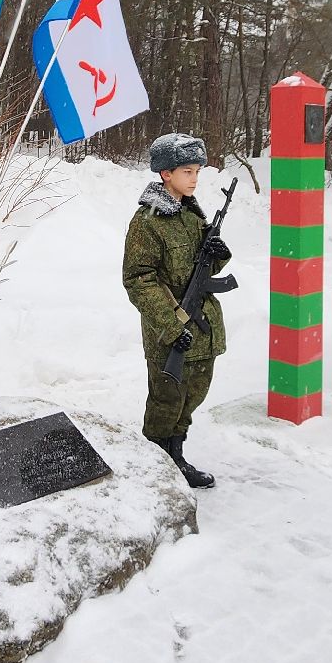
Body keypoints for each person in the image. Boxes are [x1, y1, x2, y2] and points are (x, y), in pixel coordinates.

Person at [124, 133, 231, 487]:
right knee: (166, 399)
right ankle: (156, 463)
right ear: (166, 173)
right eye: (188, 171)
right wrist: (171, 326)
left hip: (201, 329)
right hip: (169, 330)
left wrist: (216, 250)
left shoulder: (192, 212)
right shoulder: (148, 221)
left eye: (197, 171)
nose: (195, 178)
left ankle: (176, 454)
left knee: (192, 396)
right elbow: (138, 279)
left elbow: (207, 270)